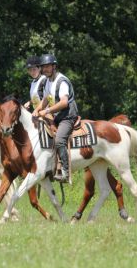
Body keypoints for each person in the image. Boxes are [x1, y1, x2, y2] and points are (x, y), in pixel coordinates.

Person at [32, 54, 79, 183]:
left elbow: (64, 103)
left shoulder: (61, 80)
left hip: (67, 116)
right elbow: (46, 99)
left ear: (54, 66)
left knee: (59, 140)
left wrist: (46, 111)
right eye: (43, 67)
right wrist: (36, 111)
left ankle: (65, 171)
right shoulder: (47, 81)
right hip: (57, 115)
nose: (45, 69)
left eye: (47, 66)